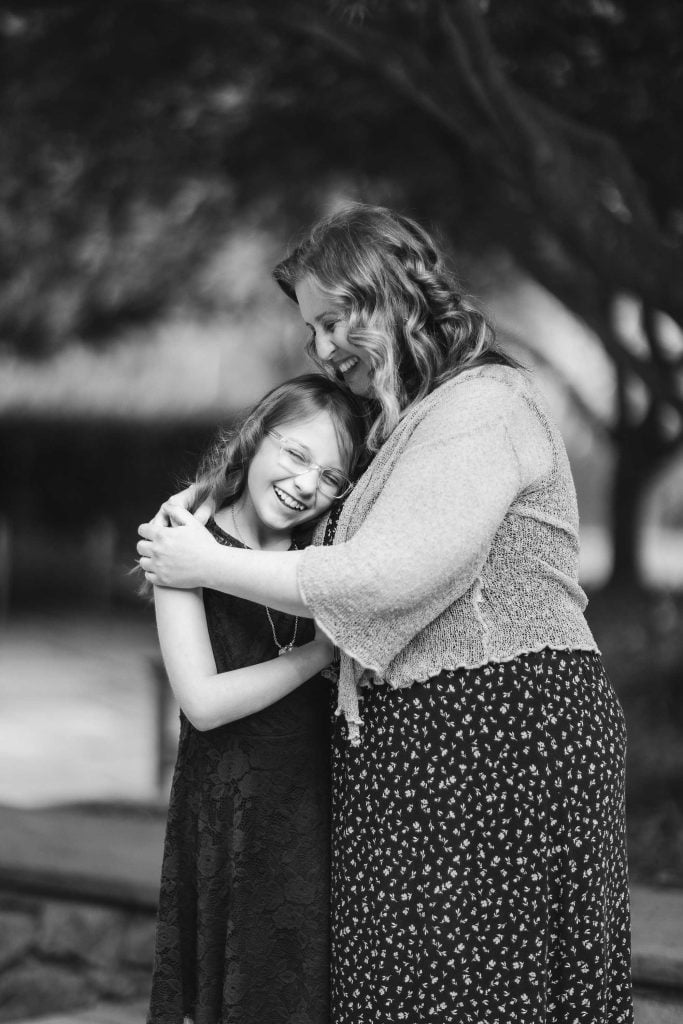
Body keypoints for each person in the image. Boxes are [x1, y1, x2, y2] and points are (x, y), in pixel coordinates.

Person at [138, 204, 633, 1024]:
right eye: (312, 331)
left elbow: (385, 574)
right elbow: (312, 510)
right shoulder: (404, 428)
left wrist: (205, 563)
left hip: (496, 740)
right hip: (426, 759)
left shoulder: (481, 407)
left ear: (393, 295)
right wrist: (208, 504)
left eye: (335, 319)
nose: (324, 348)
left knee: (476, 996)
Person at [145, 373, 366, 1024]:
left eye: (330, 477)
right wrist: (317, 654)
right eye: (296, 456)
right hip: (229, 810)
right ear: (256, 437)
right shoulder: (186, 542)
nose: (306, 485)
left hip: (318, 805)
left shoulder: (325, 545)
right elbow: (202, 702)